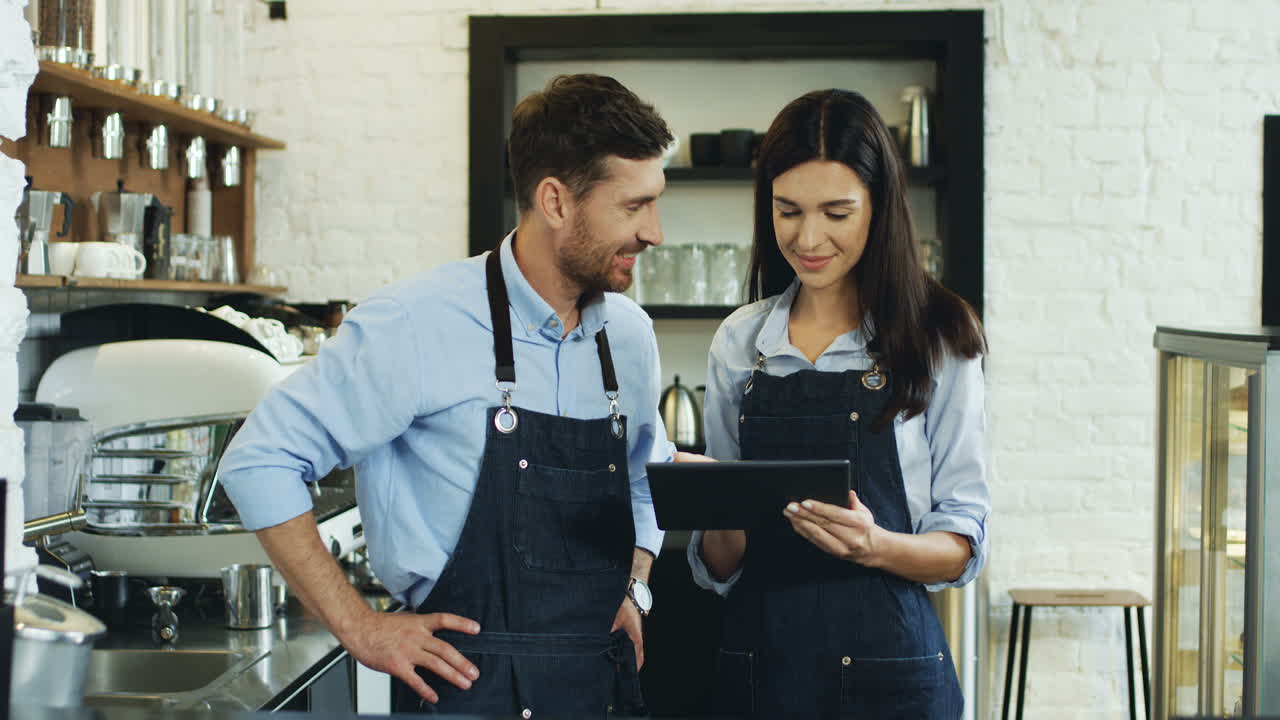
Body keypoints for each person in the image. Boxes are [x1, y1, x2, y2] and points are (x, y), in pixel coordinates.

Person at [217, 74, 678, 717]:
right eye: (633, 207)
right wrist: (360, 627)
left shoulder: (627, 336)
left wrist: (635, 587)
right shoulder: (414, 322)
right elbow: (259, 460)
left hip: (597, 688)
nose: (655, 231)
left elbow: (646, 479)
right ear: (554, 201)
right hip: (464, 690)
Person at [686, 89, 990, 718]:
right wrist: (716, 506)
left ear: (880, 207)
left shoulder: (939, 336)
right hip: (761, 673)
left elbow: (962, 543)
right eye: (788, 211)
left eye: (837, 212)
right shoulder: (741, 342)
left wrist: (874, 546)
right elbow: (721, 564)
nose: (808, 237)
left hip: (893, 676)